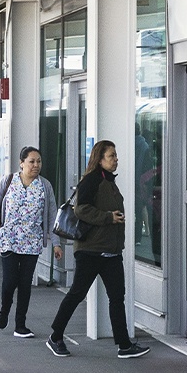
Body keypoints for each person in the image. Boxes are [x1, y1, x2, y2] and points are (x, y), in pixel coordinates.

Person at [49, 140, 148, 359]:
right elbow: (82, 209)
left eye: (115, 155)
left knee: (117, 297)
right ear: (99, 159)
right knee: (77, 293)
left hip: (111, 251)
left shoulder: (110, 181)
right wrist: (108, 217)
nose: (116, 160)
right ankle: (56, 336)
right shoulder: (91, 181)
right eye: (111, 156)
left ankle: (124, 344)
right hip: (90, 250)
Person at [0, 147, 56, 337]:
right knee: (10, 281)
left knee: (25, 283)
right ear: (22, 163)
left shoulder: (45, 186)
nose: (36, 165)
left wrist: (57, 243)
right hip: (9, 240)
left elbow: (52, 216)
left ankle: (21, 324)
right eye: (32, 161)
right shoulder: (9, 181)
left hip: (32, 242)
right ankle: (4, 311)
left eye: (39, 162)